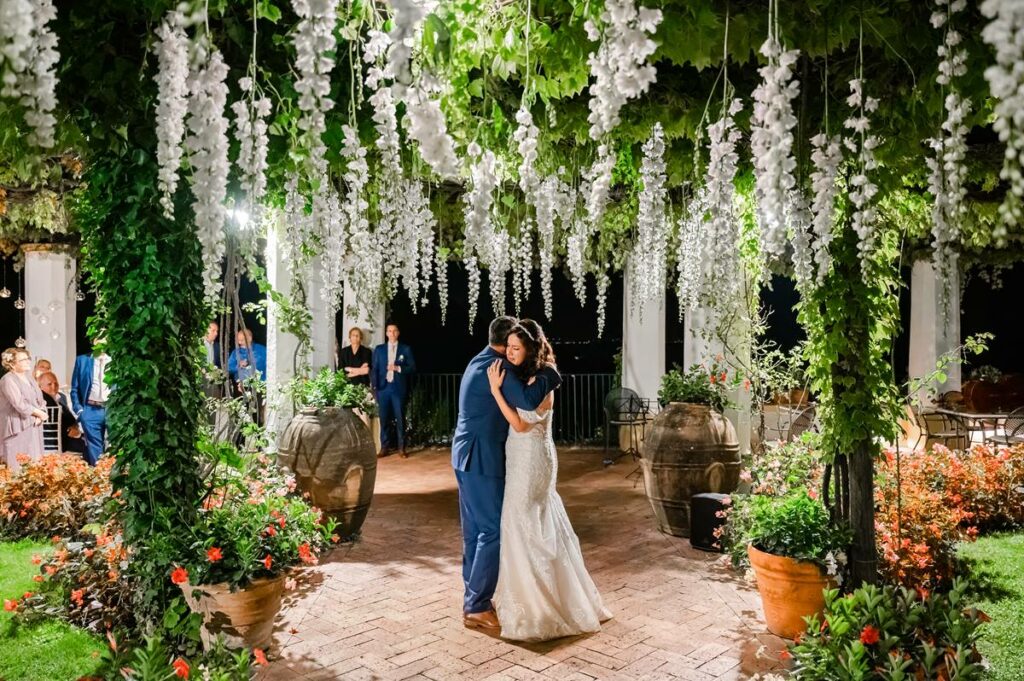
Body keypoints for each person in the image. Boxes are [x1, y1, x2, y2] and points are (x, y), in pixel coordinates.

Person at [485, 320, 610, 640]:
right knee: (540, 519)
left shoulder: (540, 382)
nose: (509, 354)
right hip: (536, 456)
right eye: (508, 347)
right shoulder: (539, 378)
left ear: (530, 349)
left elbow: (521, 424)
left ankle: (537, 605)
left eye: (515, 348)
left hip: (529, 459)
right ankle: (556, 596)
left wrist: (496, 392)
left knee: (520, 520)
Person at [451, 316, 561, 633]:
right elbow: (526, 400)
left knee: (474, 531)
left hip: (464, 455)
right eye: (511, 346)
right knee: (491, 531)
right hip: (482, 458)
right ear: (504, 345)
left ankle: (473, 596)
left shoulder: (480, 358)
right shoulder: (499, 366)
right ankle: (477, 606)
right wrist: (552, 372)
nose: (513, 352)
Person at [371, 323, 416, 457]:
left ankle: (401, 448)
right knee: (384, 419)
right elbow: (375, 369)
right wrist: (374, 387)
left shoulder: (405, 349)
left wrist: (398, 369)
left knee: (400, 418)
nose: (392, 333)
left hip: (397, 388)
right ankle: (384, 447)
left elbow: (412, 368)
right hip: (383, 389)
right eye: (389, 331)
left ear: (398, 333)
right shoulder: (379, 349)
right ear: (386, 333)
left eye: (394, 331)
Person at [1, 347, 47, 472]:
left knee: (35, 462)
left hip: (33, 424)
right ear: (12, 364)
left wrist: (40, 414)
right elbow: (19, 403)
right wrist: (39, 414)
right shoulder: (7, 380)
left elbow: (40, 399)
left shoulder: (29, 378)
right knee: (18, 465)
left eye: (28, 359)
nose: (28, 362)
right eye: (23, 360)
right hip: (16, 426)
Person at [71, 342, 111, 466]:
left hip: (112, 408)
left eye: (105, 338)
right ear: (94, 341)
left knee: (115, 444)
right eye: (99, 338)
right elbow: (75, 388)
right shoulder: (82, 360)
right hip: (90, 409)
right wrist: (79, 410)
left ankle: (115, 478)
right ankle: (100, 478)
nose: (102, 341)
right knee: (94, 447)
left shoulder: (116, 361)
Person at [37, 371, 85, 455]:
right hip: (58, 440)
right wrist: (73, 430)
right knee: (89, 446)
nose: (54, 386)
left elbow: (71, 418)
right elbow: (57, 423)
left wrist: (74, 426)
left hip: (67, 434)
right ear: (40, 387)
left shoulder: (60, 397)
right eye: (49, 384)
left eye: (56, 383)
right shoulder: (44, 400)